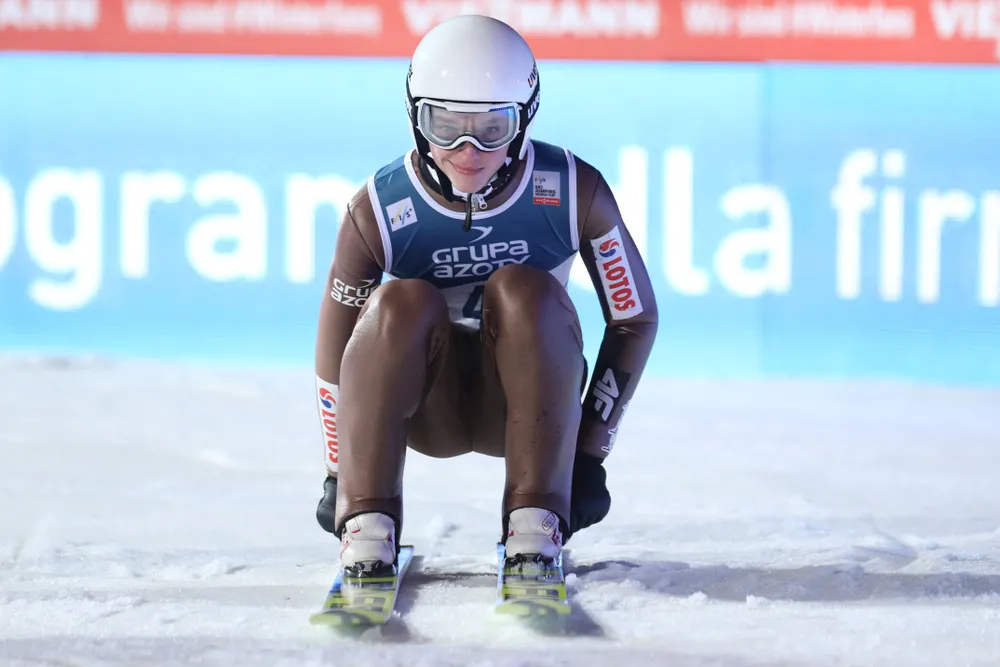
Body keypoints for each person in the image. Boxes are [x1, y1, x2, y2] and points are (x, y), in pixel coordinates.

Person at [313, 14, 658, 574]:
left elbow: (634, 318)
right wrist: (343, 474)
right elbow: (336, 353)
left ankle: (535, 514)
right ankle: (368, 520)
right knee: (403, 302)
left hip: (530, 412)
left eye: (491, 129)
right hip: (426, 408)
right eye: (444, 124)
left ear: (523, 122)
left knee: (526, 291)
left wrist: (588, 451)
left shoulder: (572, 190)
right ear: (414, 119)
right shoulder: (376, 209)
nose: (467, 150)